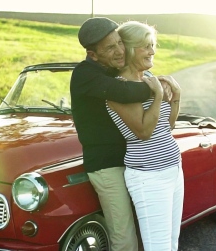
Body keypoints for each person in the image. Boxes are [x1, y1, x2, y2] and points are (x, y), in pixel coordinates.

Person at [70, 17, 157, 251]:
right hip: (106, 167)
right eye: (110, 48)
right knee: (123, 236)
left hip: (127, 162)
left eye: (120, 43)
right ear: (93, 55)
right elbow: (124, 93)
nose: (120, 51)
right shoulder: (85, 74)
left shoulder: (111, 70)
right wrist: (156, 86)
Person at [106, 21, 184, 251]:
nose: (152, 51)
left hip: (173, 170)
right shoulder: (119, 88)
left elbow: (166, 127)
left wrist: (176, 95)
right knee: (157, 247)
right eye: (146, 46)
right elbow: (143, 132)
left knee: (171, 243)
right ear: (129, 49)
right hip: (148, 176)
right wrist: (159, 95)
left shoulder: (148, 78)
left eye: (153, 45)